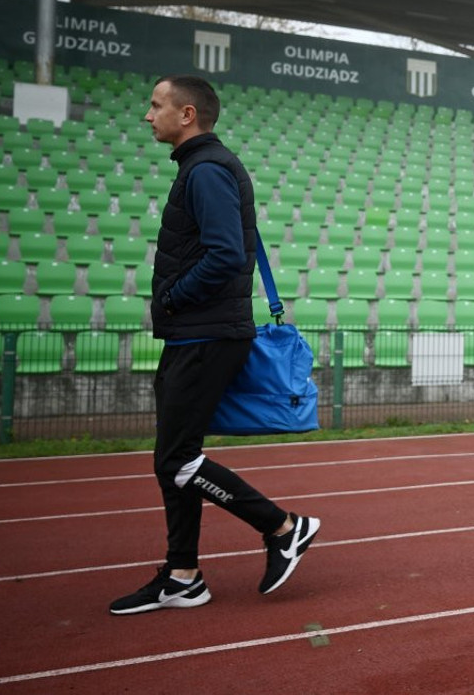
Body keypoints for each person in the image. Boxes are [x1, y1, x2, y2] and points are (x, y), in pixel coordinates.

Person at [109, 75, 320, 615]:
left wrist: (175, 299)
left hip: (204, 332)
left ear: (186, 115)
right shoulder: (202, 168)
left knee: (177, 458)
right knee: (171, 458)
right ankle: (183, 576)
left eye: (155, 105)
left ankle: (283, 526)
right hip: (195, 332)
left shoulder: (205, 170)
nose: (146, 114)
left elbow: (227, 254)